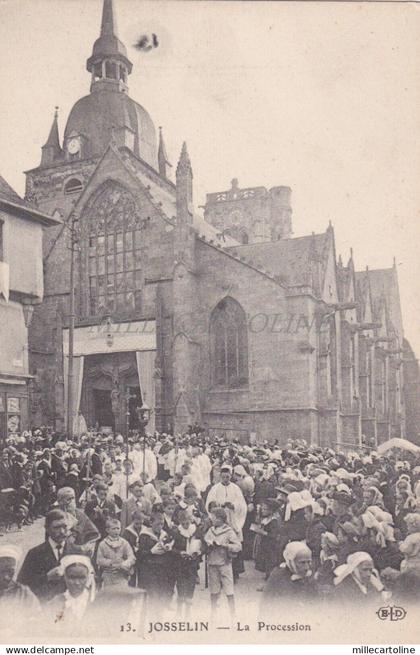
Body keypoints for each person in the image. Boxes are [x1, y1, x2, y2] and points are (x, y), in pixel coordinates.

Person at [18, 510, 83, 602]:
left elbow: (88, 582)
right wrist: (46, 577)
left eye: (65, 527)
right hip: (45, 606)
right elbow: (22, 584)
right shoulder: (35, 554)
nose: (62, 531)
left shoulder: (77, 551)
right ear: (47, 529)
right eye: (56, 527)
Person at [204, 507, 241, 620]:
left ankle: (232, 614)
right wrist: (208, 544)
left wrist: (225, 545)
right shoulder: (210, 530)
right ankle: (213, 612)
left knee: (229, 588)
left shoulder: (229, 531)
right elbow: (206, 540)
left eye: (213, 518)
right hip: (212, 562)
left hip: (224, 563)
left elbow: (238, 546)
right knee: (214, 589)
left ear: (220, 519)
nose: (212, 520)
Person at [260, 541, 317, 613]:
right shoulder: (278, 577)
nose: (306, 567)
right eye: (302, 562)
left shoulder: (310, 577)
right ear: (291, 562)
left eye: (309, 562)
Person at [46, 554, 96, 631]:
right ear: (64, 577)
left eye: (82, 578)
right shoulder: (54, 603)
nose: (77, 583)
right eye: (72, 577)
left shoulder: (95, 602)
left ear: (88, 577)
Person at [172, 510, 202, 617]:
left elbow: (202, 545)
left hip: (192, 563)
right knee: (180, 585)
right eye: (183, 523)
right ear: (180, 522)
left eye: (187, 523)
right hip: (180, 563)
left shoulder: (196, 531)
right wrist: (180, 552)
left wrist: (198, 552)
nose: (185, 525)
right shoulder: (176, 532)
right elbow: (171, 548)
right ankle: (179, 610)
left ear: (190, 520)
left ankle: (188, 611)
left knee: (190, 585)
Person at [0, 546, 40, 624]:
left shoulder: (24, 593)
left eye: (10, 571)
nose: (6, 577)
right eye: (1, 571)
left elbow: (36, 617)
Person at [96, 517, 135, 589]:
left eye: (118, 528)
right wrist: (111, 562)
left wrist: (124, 563)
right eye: (113, 529)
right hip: (108, 575)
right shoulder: (103, 544)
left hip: (122, 575)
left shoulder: (124, 543)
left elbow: (132, 557)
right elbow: (99, 560)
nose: (116, 531)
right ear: (107, 530)